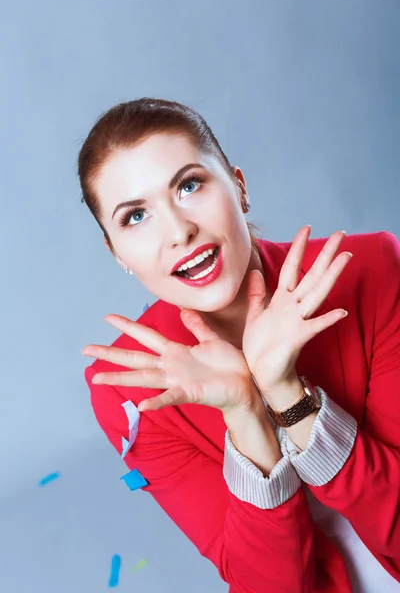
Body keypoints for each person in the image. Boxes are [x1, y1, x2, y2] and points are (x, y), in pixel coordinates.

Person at [78, 98, 400, 593]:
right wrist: (246, 415)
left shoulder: (370, 270)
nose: (179, 231)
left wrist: (288, 395)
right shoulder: (130, 391)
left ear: (239, 186)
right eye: (135, 216)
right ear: (115, 250)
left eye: (189, 185)